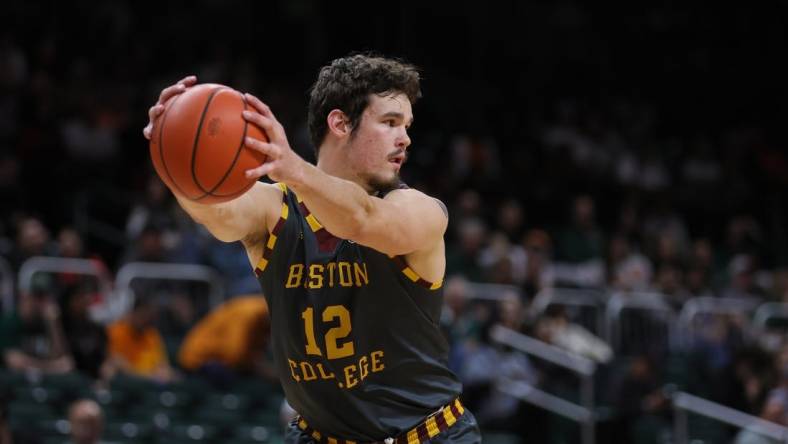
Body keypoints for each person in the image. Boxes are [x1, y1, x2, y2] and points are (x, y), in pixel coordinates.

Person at [143, 54, 481, 443]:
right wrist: (175, 148)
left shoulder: (420, 210)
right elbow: (214, 210)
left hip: (427, 436)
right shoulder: (277, 211)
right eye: (389, 122)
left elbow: (364, 221)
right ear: (340, 123)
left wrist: (294, 169)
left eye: (406, 125)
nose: (405, 138)